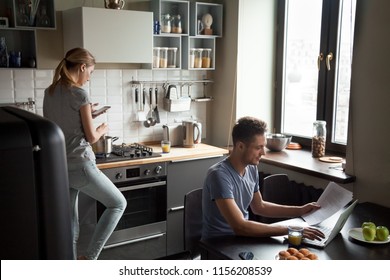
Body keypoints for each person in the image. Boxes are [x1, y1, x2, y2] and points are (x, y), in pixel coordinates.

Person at [43, 48, 127, 260]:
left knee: (71, 224)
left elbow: (59, 124)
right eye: (90, 72)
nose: (89, 77)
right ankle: (90, 258)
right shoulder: (80, 93)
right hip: (81, 165)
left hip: (60, 166)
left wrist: (89, 113)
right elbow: (90, 137)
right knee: (118, 204)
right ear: (81, 67)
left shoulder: (50, 92)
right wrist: (102, 129)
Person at [202, 116, 325, 241]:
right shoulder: (219, 175)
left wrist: (300, 210)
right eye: (258, 147)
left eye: (263, 147)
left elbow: (259, 206)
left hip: (242, 239)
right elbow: (240, 226)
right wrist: (290, 230)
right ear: (240, 146)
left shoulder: (251, 168)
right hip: (219, 244)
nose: (263, 153)